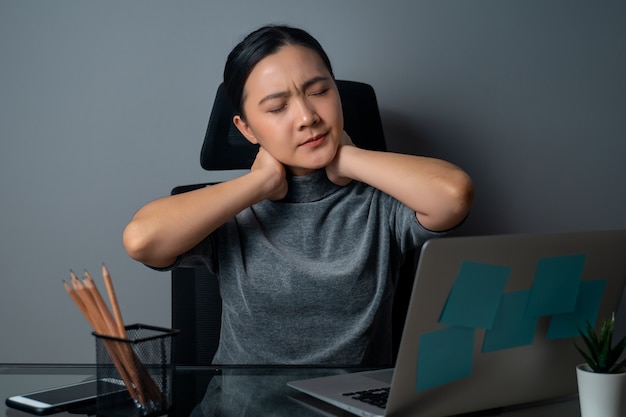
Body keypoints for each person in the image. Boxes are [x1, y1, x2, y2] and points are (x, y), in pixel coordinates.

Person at [123, 24, 474, 366]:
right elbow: (141, 240)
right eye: (277, 108)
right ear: (246, 128)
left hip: (350, 407)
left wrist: (350, 157)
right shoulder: (229, 209)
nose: (307, 117)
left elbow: (454, 194)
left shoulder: (380, 202)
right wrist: (259, 183)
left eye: (319, 91)